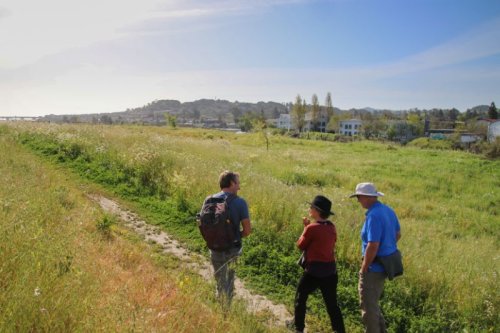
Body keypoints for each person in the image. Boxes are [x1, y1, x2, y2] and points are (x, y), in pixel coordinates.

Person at [350, 182, 401, 333]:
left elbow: (373, 244)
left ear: (366, 197)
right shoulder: (387, 210)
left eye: (358, 197)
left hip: (373, 268)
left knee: (368, 309)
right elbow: (397, 234)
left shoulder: (373, 215)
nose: (358, 201)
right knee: (373, 304)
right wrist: (387, 247)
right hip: (384, 265)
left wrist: (365, 266)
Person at [290, 195, 346, 333]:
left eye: (311, 207)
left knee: (300, 298)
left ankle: (299, 328)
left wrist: (305, 228)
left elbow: (300, 245)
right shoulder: (331, 227)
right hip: (330, 271)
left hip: (314, 272)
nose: (309, 209)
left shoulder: (312, 228)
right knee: (332, 305)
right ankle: (339, 331)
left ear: (317, 211)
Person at [205, 170, 251, 305]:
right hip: (232, 249)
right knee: (230, 279)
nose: (239, 187)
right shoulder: (240, 202)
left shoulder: (209, 199)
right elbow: (248, 231)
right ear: (231, 183)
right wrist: (235, 236)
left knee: (220, 280)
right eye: (238, 183)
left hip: (215, 247)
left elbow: (205, 224)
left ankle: (220, 307)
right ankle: (227, 309)